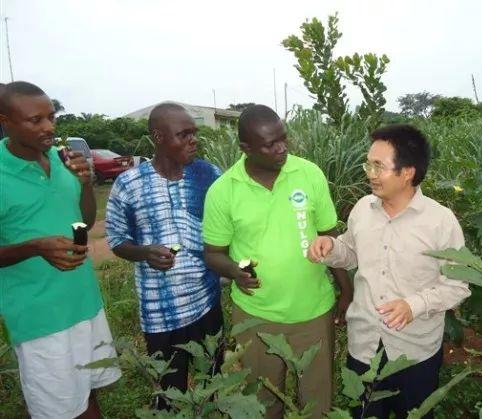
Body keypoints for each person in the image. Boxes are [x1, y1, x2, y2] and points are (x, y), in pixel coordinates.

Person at [307, 124, 471, 419]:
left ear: (407, 172)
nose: (369, 172)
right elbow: (352, 252)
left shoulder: (440, 221)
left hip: (414, 351)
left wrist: (414, 305)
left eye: (378, 166)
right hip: (364, 345)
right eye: (368, 164)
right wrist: (330, 247)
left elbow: (459, 285)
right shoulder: (362, 209)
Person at [202, 104, 352, 418]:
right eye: (270, 144)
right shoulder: (223, 191)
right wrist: (234, 272)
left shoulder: (308, 173)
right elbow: (213, 253)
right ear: (245, 148)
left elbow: (330, 237)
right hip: (256, 316)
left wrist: (346, 292)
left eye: (283, 138)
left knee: (316, 402)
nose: (281, 148)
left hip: (313, 312)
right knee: (262, 401)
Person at [0, 81, 121, 419]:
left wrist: (84, 184)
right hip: (40, 317)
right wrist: (35, 247)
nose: (49, 127)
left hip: (84, 302)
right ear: (5, 122)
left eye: (51, 116)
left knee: (88, 395)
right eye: (35, 120)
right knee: (62, 410)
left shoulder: (62, 159)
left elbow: (84, 219)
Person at [105, 103, 223, 407]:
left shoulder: (210, 176)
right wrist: (144, 252)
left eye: (193, 134)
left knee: (214, 383)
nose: (192, 141)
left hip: (206, 301)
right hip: (161, 311)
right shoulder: (129, 184)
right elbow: (117, 240)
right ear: (158, 137)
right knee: (169, 393)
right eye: (183, 135)